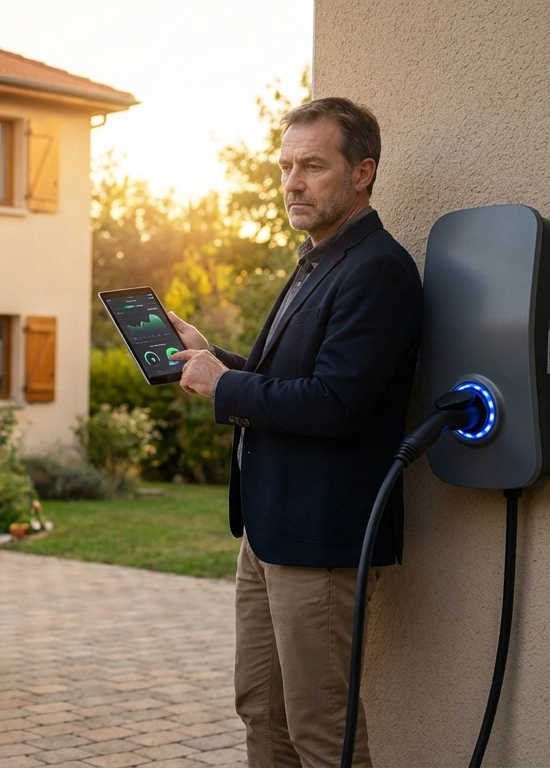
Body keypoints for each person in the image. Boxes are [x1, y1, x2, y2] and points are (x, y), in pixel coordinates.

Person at [169, 97, 423, 767]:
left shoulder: (378, 269)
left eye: (312, 166)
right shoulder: (318, 259)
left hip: (320, 541)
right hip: (268, 531)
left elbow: (336, 403)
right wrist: (213, 359)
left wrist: (224, 387)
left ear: (362, 172)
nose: (293, 183)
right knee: (262, 711)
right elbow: (288, 381)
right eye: (286, 167)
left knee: (320, 730)